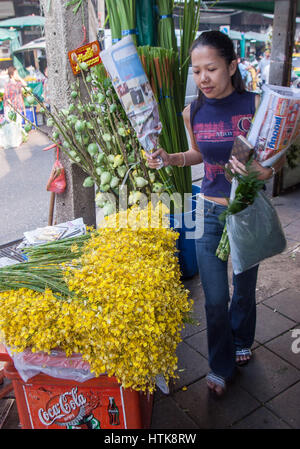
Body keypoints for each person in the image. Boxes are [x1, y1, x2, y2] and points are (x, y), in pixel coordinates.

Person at [146, 31, 286, 396]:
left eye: (211, 68)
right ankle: (219, 365)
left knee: (243, 289)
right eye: (196, 71)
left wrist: (263, 172)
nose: (202, 78)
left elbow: (274, 160)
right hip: (207, 211)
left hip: (245, 210)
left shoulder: (256, 105)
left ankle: (242, 339)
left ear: (232, 66)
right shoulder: (192, 110)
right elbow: (198, 154)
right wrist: (171, 157)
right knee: (213, 296)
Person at [3, 66, 27, 148]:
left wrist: (19, 78)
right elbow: (6, 97)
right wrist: (11, 107)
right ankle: (12, 142)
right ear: (11, 75)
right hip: (10, 108)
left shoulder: (18, 83)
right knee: (12, 125)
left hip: (18, 106)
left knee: (18, 123)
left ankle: (18, 141)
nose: (17, 74)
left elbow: (25, 84)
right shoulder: (8, 84)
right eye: (16, 73)